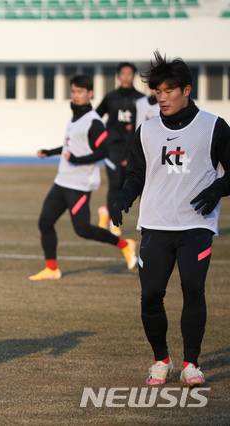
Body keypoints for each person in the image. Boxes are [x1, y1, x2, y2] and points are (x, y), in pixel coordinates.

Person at [111, 51, 230, 387]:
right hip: (155, 224)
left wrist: (217, 189)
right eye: (157, 91)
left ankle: (192, 363)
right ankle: (161, 360)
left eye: (168, 91)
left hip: (196, 225)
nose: (161, 97)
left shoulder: (214, 127)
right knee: (150, 295)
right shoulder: (147, 131)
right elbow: (136, 174)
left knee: (193, 288)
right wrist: (123, 196)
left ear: (186, 90)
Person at [30, 75, 137, 281]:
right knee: (45, 222)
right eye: (73, 91)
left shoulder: (93, 122)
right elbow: (70, 146)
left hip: (79, 185)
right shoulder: (74, 119)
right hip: (62, 181)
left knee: (83, 229)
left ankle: (124, 244)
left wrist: (77, 160)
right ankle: (52, 269)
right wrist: (50, 152)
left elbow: (104, 151)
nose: (76, 95)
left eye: (80, 92)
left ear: (90, 94)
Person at [96, 62, 145, 236]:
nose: (126, 77)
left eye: (129, 74)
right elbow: (95, 117)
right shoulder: (110, 97)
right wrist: (102, 138)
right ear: (118, 76)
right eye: (123, 73)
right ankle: (113, 222)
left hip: (132, 149)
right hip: (112, 150)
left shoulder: (141, 100)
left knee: (128, 184)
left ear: (133, 76)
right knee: (115, 183)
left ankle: (106, 211)